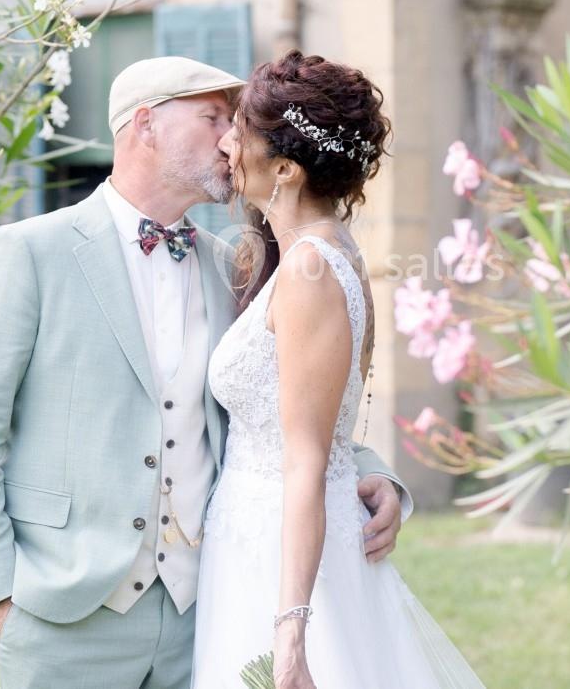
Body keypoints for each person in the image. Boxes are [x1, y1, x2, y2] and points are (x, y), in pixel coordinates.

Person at [0, 56, 410, 689]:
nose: (230, 139)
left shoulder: (232, 264)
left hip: (200, 609)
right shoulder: (27, 254)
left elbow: (285, 401)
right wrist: (2, 597)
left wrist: (372, 475)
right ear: (146, 125)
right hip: (64, 616)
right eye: (212, 117)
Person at [192, 50, 483, 688]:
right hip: (255, 537)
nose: (227, 143)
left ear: (288, 169)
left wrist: (292, 627)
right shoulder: (316, 253)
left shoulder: (308, 271)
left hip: (282, 558)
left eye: (240, 129)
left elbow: (307, 460)